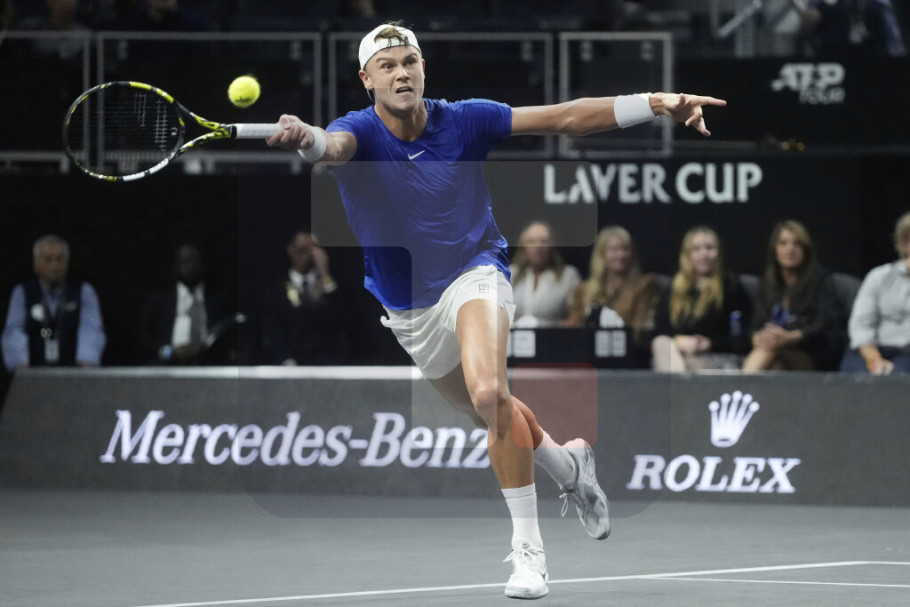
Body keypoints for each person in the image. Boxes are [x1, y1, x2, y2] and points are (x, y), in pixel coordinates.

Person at [265, 21, 725, 600]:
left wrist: (655, 102)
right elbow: (330, 148)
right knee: (491, 414)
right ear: (367, 80)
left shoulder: (465, 119)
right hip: (409, 308)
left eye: (410, 61)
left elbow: (564, 116)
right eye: (387, 66)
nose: (401, 73)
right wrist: (307, 138)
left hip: (474, 271)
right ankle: (569, 466)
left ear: (423, 68)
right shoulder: (356, 130)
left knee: (489, 393)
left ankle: (529, 554)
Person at [742, 220, 842, 372]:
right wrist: (758, 338)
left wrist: (789, 337)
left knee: (770, 350)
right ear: (774, 249)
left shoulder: (821, 281)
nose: (790, 249)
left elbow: (824, 327)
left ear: (806, 249)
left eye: (797, 244)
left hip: (811, 354)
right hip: (774, 352)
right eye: (783, 243)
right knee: (775, 367)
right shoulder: (767, 283)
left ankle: (741, 384)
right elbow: (755, 326)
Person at [651, 226, 753, 373]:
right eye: (696, 249)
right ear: (687, 255)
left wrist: (709, 344)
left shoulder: (730, 286)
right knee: (661, 343)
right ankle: (678, 384)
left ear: (718, 253)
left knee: (690, 360)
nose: (704, 254)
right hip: (677, 355)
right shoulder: (674, 287)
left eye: (709, 248)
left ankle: (686, 385)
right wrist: (679, 341)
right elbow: (659, 329)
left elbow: (742, 335)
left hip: (716, 357)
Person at [2, 234, 106, 371]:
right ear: (36, 264)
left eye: (59, 259)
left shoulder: (84, 291)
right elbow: (14, 330)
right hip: (33, 371)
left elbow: (91, 328)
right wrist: (21, 365)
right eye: (48, 259)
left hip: (74, 371)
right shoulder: (22, 292)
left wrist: (86, 363)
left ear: (67, 263)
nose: (54, 265)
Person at [567, 226, 661, 368]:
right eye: (614, 250)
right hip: (587, 357)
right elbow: (574, 326)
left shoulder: (644, 285)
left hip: (628, 356)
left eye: (626, 249)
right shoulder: (583, 289)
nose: (621, 255)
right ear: (602, 254)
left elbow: (640, 329)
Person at [260, 231, 349, 365]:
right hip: (290, 361)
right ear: (290, 249)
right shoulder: (276, 288)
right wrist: (285, 358)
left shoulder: (327, 285)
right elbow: (272, 327)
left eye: (309, 249)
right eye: (300, 249)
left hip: (326, 361)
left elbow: (343, 316)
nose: (303, 254)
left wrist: (325, 274)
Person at [138, 243, 235, 365]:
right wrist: (170, 352)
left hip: (207, 363)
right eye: (184, 262)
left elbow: (229, 338)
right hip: (168, 363)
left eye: (195, 261)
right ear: (175, 266)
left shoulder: (218, 299)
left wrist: (204, 350)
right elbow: (143, 338)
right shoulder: (158, 300)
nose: (190, 267)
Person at [840, 211, 910, 374]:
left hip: (906, 353)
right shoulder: (879, 276)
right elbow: (860, 324)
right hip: (870, 349)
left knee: (897, 377)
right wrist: (874, 360)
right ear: (905, 243)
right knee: (853, 375)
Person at [509, 220, 581, 327]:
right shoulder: (510, 274)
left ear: (552, 247)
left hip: (553, 336)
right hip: (512, 336)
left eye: (544, 241)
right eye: (531, 241)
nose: (538, 247)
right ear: (523, 248)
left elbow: (577, 319)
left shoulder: (568, 276)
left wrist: (544, 327)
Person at [798, 0, 906, 57]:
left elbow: (891, 31)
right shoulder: (822, 4)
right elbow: (811, 13)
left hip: (871, 49)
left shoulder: (878, 4)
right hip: (837, 47)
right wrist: (812, 10)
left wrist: (897, 54)